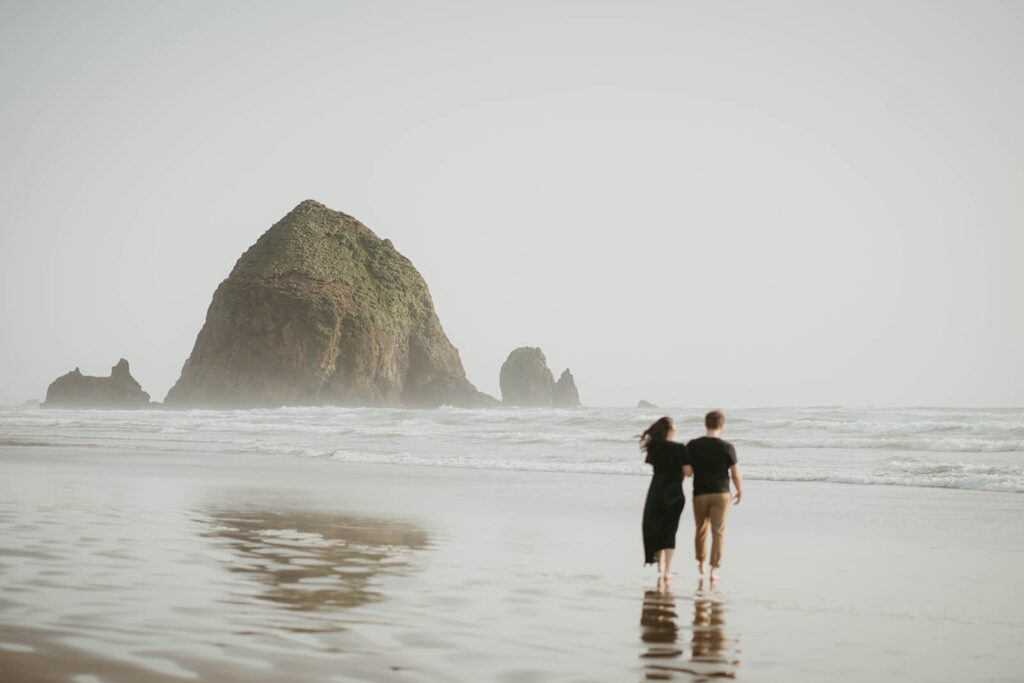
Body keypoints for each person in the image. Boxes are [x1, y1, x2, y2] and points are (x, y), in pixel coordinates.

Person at [687, 410, 743, 580]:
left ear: (706, 424)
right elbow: (735, 473)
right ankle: (714, 570)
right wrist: (739, 490)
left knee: (701, 529)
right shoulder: (727, 447)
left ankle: (701, 563)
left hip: (700, 493)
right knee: (718, 531)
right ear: (722, 426)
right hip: (721, 493)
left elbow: (688, 471)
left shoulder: (693, 445)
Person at [640, 416, 692, 577]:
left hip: (656, 490)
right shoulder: (679, 448)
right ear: (670, 430)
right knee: (670, 530)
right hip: (674, 491)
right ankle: (667, 570)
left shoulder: (654, 448)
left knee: (656, 525)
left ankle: (659, 565)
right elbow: (688, 472)